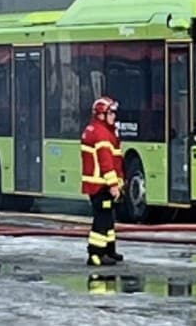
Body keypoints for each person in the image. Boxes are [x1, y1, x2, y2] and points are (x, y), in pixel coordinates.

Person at [81, 95, 124, 266]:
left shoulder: (99, 130)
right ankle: (96, 254)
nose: (114, 116)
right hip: (100, 185)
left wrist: (119, 181)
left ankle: (109, 250)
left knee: (108, 217)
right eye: (111, 113)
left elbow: (115, 160)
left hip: (99, 184)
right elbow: (106, 163)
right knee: (102, 219)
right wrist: (113, 185)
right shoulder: (101, 134)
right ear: (101, 115)